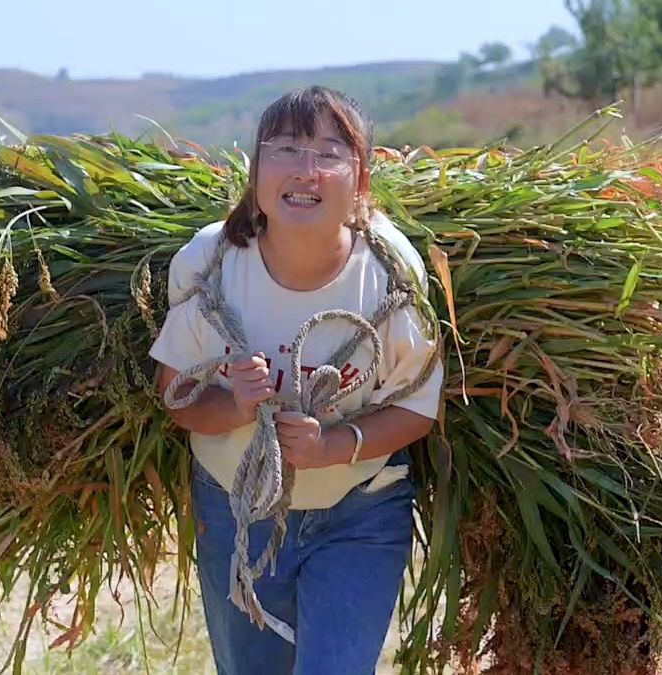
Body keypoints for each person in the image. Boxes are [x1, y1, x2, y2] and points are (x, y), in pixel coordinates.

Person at [148, 85, 444, 675]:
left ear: (360, 181)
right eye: (284, 149)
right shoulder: (213, 264)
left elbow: (418, 406)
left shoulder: (390, 271)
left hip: (361, 508)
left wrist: (334, 447)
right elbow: (174, 395)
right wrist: (233, 407)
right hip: (236, 509)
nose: (306, 169)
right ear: (256, 174)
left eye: (329, 153)